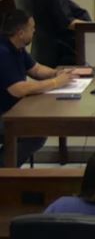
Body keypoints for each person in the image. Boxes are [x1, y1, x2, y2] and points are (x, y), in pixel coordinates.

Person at [0, 9, 75, 167]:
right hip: (4, 114)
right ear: (20, 33)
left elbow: (36, 69)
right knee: (35, 133)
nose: (34, 31)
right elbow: (18, 89)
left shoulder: (17, 48)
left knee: (37, 129)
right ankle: (5, 170)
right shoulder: (3, 52)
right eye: (31, 28)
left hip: (14, 109)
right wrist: (56, 83)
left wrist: (57, 73)